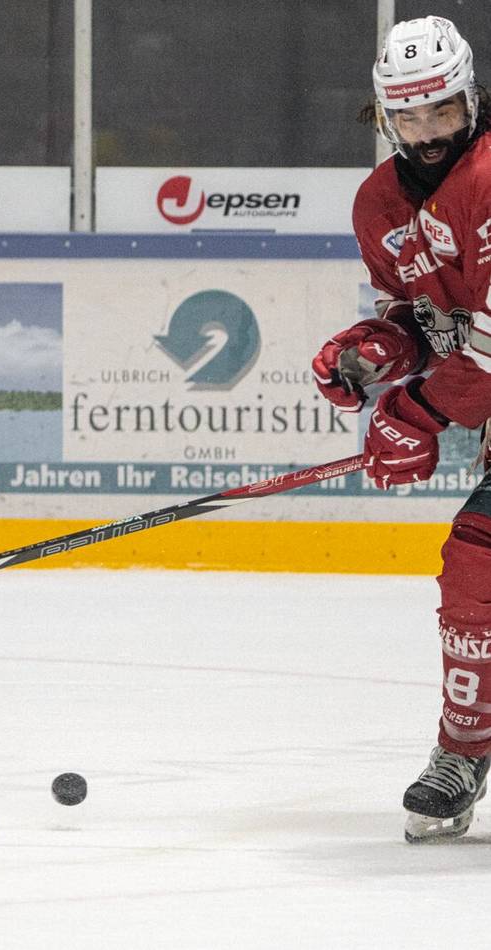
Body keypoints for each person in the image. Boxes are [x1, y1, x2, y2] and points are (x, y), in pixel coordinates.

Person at [311, 15, 491, 842]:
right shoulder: (377, 202)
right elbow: (425, 321)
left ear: (470, 99)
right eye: (409, 117)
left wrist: (416, 415)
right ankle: (464, 749)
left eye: (441, 113)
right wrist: (370, 356)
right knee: (474, 567)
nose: (426, 133)